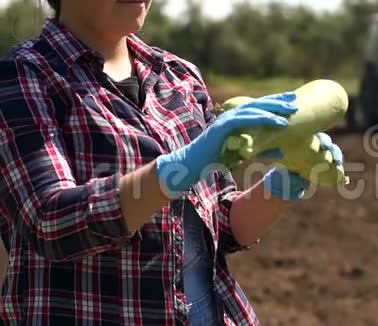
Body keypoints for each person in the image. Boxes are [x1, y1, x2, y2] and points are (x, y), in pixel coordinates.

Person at [0, 0, 345, 325]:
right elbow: (49, 222)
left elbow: (221, 227)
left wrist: (286, 180)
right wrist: (176, 168)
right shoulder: (23, 76)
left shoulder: (177, 76)